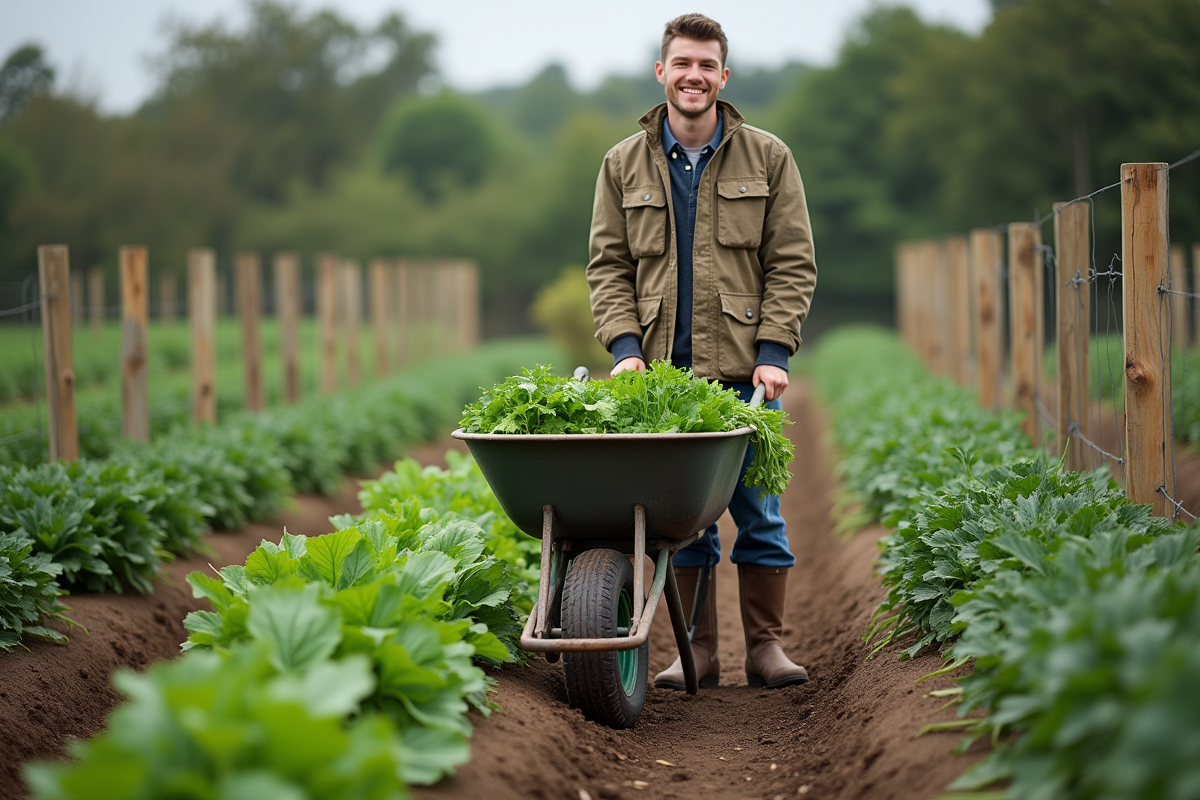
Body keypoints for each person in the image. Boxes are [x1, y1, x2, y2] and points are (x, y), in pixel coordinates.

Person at [585, 13, 817, 690]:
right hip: (665, 379)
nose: (693, 76)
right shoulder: (621, 164)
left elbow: (793, 263)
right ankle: (701, 654)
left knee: (760, 514)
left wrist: (773, 350)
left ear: (723, 76)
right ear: (662, 73)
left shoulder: (768, 157)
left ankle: (765, 650)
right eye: (681, 63)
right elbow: (608, 266)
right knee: (684, 526)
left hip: (747, 377)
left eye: (706, 65)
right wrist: (626, 348)